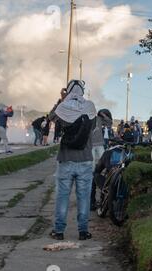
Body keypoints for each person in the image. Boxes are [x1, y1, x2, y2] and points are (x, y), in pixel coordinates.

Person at [48, 79, 97, 241]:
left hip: (66, 159)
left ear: (68, 91)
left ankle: (59, 231)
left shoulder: (63, 108)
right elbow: (94, 127)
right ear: (82, 91)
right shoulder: (89, 107)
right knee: (83, 197)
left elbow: (50, 117)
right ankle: (83, 232)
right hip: (85, 160)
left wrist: (61, 100)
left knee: (63, 196)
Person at [90, 109, 113, 211]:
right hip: (90, 145)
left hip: (99, 144)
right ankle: (94, 180)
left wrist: (103, 114)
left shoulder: (99, 119)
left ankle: (102, 178)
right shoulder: (86, 119)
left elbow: (109, 123)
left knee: (102, 163)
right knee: (92, 168)